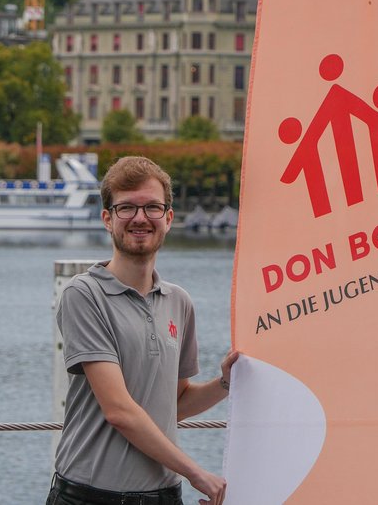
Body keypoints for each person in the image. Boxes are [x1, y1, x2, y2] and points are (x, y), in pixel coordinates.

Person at [50, 155, 239, 505]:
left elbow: (174, 405)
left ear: (168, 218)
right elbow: (119, 411)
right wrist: (197, 473)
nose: (140, 218)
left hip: (164, 496)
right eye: (126, 208)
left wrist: (226, 382)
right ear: (108, 219)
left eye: (152, 207)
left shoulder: (178, 302)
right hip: (90, 497)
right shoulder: (83, 294)